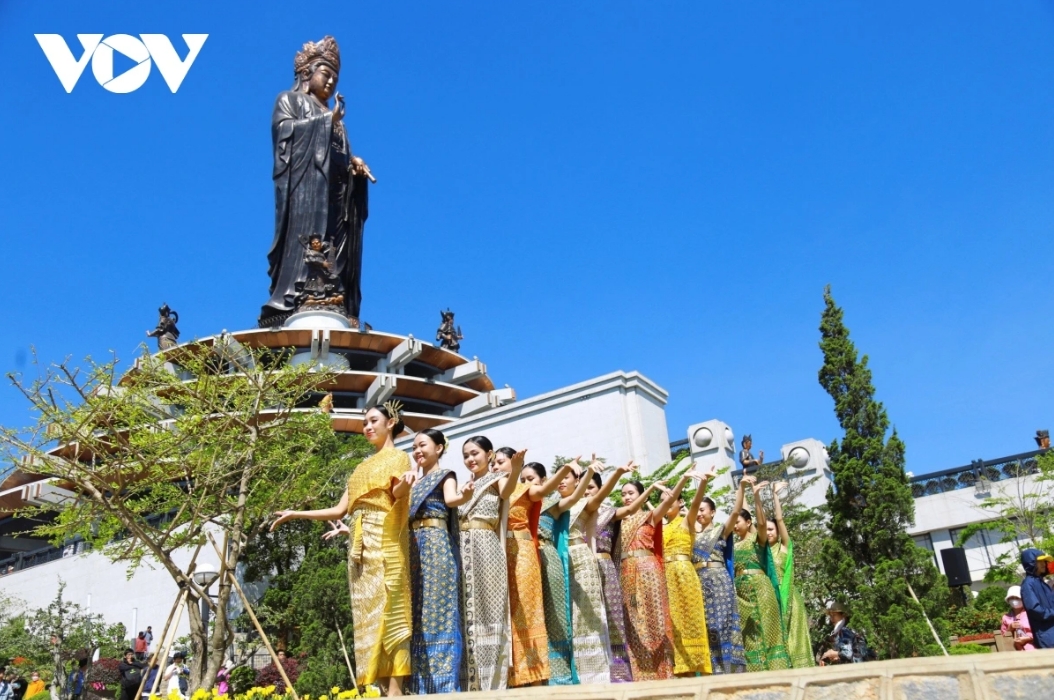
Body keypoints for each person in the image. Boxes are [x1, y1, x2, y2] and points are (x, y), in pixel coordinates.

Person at [273, 402, 413, 695]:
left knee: (390, 608)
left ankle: (396, 690)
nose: (368, 427)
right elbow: (340, 510)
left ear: (392, 422)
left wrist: (405, 486)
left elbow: (397, 491)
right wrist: (296, 514)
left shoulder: (399, 457)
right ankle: (382, 687)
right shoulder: (361, 467)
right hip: (359, 544)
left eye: (374, 420)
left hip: (385, 536)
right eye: (365, 423)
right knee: (366, 614)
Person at [261, 35, 372, 327]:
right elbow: (284, 136)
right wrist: (326, 123)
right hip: (306, 192)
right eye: (326, 74)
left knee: (338, 246)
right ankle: (298, 295)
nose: (331, 82)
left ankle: (336, 297)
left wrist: (353, 166)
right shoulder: (290, 100)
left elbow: (338, 155)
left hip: (336, 195)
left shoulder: (336, 118)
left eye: (335, 77)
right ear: (307, 73)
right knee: (309, 244)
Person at [495, 450, 575, 687]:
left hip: (523, 551)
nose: (496, 467)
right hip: (500, 553)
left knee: (528, 610)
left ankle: (535, 676)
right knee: (508, 613)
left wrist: (564, 469)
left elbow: (544, 490)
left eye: (501, 462)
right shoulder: (495, 490)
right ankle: (514, 676)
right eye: (494, 463)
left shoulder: (526, 489)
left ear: (514, 463)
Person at [403, 428, 472, 694]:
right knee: (416, 616)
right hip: (413, 550)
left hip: (437, 548)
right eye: (414, 447)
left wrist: (465, 494)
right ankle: (419, 686)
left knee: (438, 615)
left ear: (439, 448)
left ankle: (443, 687)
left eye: (423, 445)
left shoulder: (446, 476)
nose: (418, 451)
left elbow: (452, 499)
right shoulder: (412, 483)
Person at [457, 436, 523, 691]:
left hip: (486, 548)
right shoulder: (464, 486)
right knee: (467, 613)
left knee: (490, 612)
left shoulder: (497, 480)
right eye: (466, 455)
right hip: (463, 550)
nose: (470, 459)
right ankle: (470, 682)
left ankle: (493, 683)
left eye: (475, 453)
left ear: (489, 454)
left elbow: (508, 491)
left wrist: (516, 468)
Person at [528, 460, 595, 685]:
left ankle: (559, 675)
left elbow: (575, 499)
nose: (526, 483)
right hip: (526, 561)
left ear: (544, 481)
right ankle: (534, 672)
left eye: (531, 479)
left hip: (547, 558)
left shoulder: (552, 502)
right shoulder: (520, 502)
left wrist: (589, 472)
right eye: (523, 479)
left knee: (555, 615)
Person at [591, 473, 657, 683]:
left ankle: (623, 674)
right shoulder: (575, 512)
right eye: (623, 493)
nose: (587, 491)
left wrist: (652, 489)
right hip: (584, 570)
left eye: (592, 487)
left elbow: (631, 510)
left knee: (617, 620)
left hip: (613, 570)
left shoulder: (611, 514)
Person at [618, 478, 683, 681]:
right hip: (627, 571)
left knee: (654, 619)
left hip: (649, 570)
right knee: (633, 620)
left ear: (641, 494)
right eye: (624, 494)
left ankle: (663, 672)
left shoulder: (650, 516)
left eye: (631, 493)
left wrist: (683, 480)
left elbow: (669, 499)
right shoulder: (618, 520)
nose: (627, 497)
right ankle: (641, 673)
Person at [559, 459, 612, 684]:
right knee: (566, 619)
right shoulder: (553, 505)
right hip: (560, 562)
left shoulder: (584, 503)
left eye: (566, 477)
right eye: (558, 477)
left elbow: (600, 495)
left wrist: (616, 472)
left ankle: (596, 677)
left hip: (581, 560)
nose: (561, 481)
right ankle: (573, 674)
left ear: (577, 480)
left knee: (588, 617)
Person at [658, 469, 713, 676]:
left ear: (680, 502)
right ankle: (678, 668)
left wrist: (702, 483)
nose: (667, 502)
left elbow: (697, 503)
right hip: (666, 576)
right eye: (663, 499)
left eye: (671, 499)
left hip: (684, 573)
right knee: (672, 622)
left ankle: (695, 666)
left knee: (690, 620)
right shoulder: (660, 526)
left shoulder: (686, 520)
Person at [732, 478, 790, 671]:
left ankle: (777, 674)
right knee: (750, 638)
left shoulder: (758, 540)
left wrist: (756, 495)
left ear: (748, 522)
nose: (734, 525)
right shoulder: (733, 545)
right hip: (742, 595)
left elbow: (762, 522)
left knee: (768, 631)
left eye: (738, 522)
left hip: (761, 589)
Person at [693, 478, 747, 674]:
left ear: (712, 512)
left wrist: (740, 488)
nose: (699, 513)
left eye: (702, 510)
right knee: (706, 628)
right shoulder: (690, 534)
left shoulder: (720, 531)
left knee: (721, 625)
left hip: (718, 581)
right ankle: (711, 672)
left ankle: (728, 671)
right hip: (698, 583)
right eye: (696, 510)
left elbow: (735, 512)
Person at [765, 483, 815, 668]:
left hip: (790, 602)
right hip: (770, 602)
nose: (768, 532)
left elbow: (779, 519)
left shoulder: (784, 547)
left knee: (795, 639)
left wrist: (775, 496)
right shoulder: (760, 553)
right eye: (765, 529)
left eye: (771, 529)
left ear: (778, 532)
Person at [1019, 549, 1054, 649]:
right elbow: (1035, 610)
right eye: (1039, 561)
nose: (1043, 564)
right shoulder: (1027, 584)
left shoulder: (1042, 582)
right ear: (1031, 563)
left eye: (1044, 561)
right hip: (1047, 637)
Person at [1001, 585, 1035, 651]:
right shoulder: (1006, 617)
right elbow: (1003, 637)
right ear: (1008, 600)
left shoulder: (1031, 614)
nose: (1014, 600)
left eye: (1017, 598)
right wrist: (1009, 629)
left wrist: (1028, 638)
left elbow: (1040, 633)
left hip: (1033, 649)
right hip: (1014, 652)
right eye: (1011, 598)